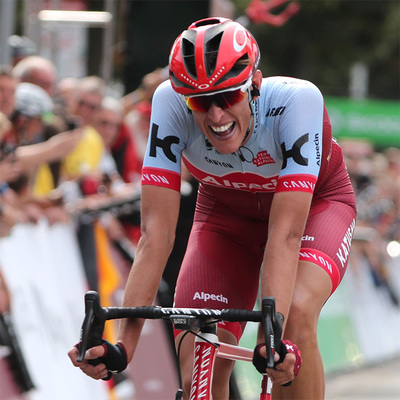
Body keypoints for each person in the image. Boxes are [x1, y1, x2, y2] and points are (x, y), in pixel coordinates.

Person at [69, 17, 357, 399]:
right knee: (198, 353)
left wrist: (271, 337)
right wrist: (123, 348)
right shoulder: (168, 105)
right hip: (225, 214)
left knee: (294, 320)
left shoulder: (297, 101)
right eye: (200, 102)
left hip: (313, 210)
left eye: (228, 97)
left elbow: (284, 235)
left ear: (254, 84)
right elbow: (156, 236)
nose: (216, 115)